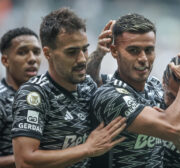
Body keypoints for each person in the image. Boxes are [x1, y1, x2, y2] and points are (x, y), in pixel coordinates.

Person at [11, 8, 126, 168]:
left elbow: (92, 74)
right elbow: (24, 161)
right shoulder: (35, 94)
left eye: (84, 49)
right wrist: (86, 149)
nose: (81, 59)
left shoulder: (87, 85)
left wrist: (99, 53)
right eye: (71, 52)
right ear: (48, 53)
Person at [90, 13, 180, 167]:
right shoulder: (110, 95)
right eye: (134, 50)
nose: (143, 58)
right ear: (115, 51)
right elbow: (173, 128)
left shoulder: (155, 86)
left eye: (149, 50)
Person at [0, 27, 42, 168]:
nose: (32, 59)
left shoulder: (45, 94)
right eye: (22, 52)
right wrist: (35, 157)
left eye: (36, 52)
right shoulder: (1, 99)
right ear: (5, 60)